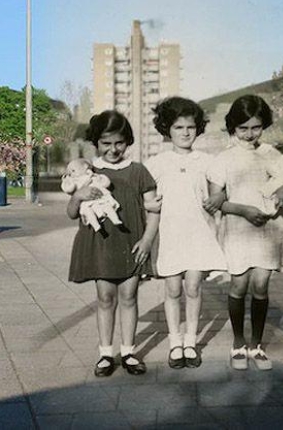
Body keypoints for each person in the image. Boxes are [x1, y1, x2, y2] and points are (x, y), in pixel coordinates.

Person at [207, 95, 283, 371]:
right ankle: (238, 343)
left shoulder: (271, 154)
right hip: (238, 227)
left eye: (256, 127)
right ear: (233, 127)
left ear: (264, 126)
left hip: (267, 229)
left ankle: (256, 345)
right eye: (243, 128)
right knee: (239, 285)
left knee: (261, 285)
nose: (250, 134)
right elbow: (216, 202)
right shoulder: (223, 159)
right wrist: (245, 210)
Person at [66, 110, 160, 377]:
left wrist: (147, 240)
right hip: (100, 244)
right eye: (106, 143)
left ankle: (129, 352)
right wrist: (78, 196)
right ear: (96, 142)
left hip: (132, 244)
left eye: (119, 142)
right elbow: (71, 213)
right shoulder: (87, 171)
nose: (113, 149)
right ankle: (106, 354)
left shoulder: (138, 171)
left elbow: (154, 209)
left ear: (127, 141)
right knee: (105, 298)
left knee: (129, 296)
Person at [144, 97, 227, 369]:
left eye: (190, 127)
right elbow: (143, 195)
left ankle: (190, 342)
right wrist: (146, 204)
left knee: (192, 287)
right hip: (170, 235)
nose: (185, 132)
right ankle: (175, 343)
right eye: (178, 127)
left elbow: (221, 190)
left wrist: (219, 197)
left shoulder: (207, 161)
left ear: (198, 128)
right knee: (172, 288)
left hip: (198, 233)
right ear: (167, 129)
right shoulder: (157, 163)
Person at [61, 158, 123, 232]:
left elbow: (106, 183)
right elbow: (69, 189)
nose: (71, 173)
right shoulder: (75, 181)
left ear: (85, 168)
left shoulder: (94, 175)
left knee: (108, 207)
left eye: (73, 170)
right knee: (88, 212)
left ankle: (116, 220)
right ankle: (96, 226)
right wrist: (66, 180)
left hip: (100, 199)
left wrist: (100, 178)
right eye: (69, 172)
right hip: (86, 204)